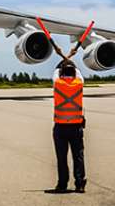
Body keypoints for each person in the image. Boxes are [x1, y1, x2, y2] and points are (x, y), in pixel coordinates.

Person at [46, 59, 87, 194]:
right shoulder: (79, 83)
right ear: (74, 72)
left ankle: (62, 184)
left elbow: (56, 72)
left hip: (60, 128)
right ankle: (80, 184)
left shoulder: (57, 83)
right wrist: (70, 60)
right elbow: (79, 73)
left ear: (62, 72)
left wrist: (63, 61)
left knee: (62, 158)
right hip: (76, 128)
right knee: (78, 156)